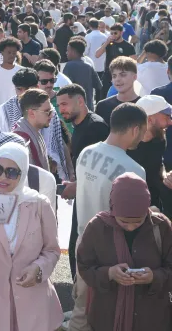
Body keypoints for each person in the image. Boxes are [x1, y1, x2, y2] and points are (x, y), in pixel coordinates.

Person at [0, 141, 63, 331]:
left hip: (31, 299)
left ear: (23, 172)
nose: (2, 177)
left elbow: (52, 250)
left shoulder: (39, 204)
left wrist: (38, 269)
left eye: (12, 172)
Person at [69, 103, 148, 331]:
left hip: (83, 239)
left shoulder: (86, 152)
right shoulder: (133, 169)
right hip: (112, 249)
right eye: (142, 132)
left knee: (81, 308)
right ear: (135, 129)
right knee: (106, 314)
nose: (142, 138)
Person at [77, 173, 172, 331]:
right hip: (107, 317)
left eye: (138, 221)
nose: (130, 227)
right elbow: (84, 267)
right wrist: (109, 273)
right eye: (123, 221)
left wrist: (154, 277)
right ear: (112, 209)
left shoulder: (161, 226)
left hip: (152, 319)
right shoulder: (97, 227)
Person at [56, 84, 110, 277]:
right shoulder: (80, 125)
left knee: (83, 246)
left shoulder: (95, 127)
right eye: (59, 105)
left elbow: (100, 171)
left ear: (80, 101)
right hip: (83, 192)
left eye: (64, 104)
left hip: (93, 198)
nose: (61, 109)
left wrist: (76, 186)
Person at [127, 95, 172, 210]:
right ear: (150, 120)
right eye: (166, 116)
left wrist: (165, 176)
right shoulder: (126, 145)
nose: (170, 122)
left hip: (156, 203)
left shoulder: (160, 137)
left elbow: (158, 163)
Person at [13, 88, 52, 171]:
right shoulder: (21, 140)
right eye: (47, 111)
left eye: (51, 111)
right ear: (31, 113)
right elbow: (28, 175)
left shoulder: (33, 130)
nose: (51, 115)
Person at [96, 56, 141, 127]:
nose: (117, 79)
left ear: (135, 77)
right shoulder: (102, 106)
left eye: (123, 75)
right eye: (114, 76)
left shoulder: (143, 105)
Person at [96, 23, 137, 98]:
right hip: (108, 75)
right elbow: (97, 55)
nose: (113, 35)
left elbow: (133, 62)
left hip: (122, 76)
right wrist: (106, 42)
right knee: (104, 97)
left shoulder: (128, 46)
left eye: (115, 33)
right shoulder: (108, 44)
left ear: (121, 33)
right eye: (111, 33)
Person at [62, 37, 103, 110]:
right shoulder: (89, 66)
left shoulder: (69, 66)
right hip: (88, 107)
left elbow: (64, 87)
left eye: (68, 50)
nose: (66, 53)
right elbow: (98, 86)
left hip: (74, 107)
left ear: (73, 51)